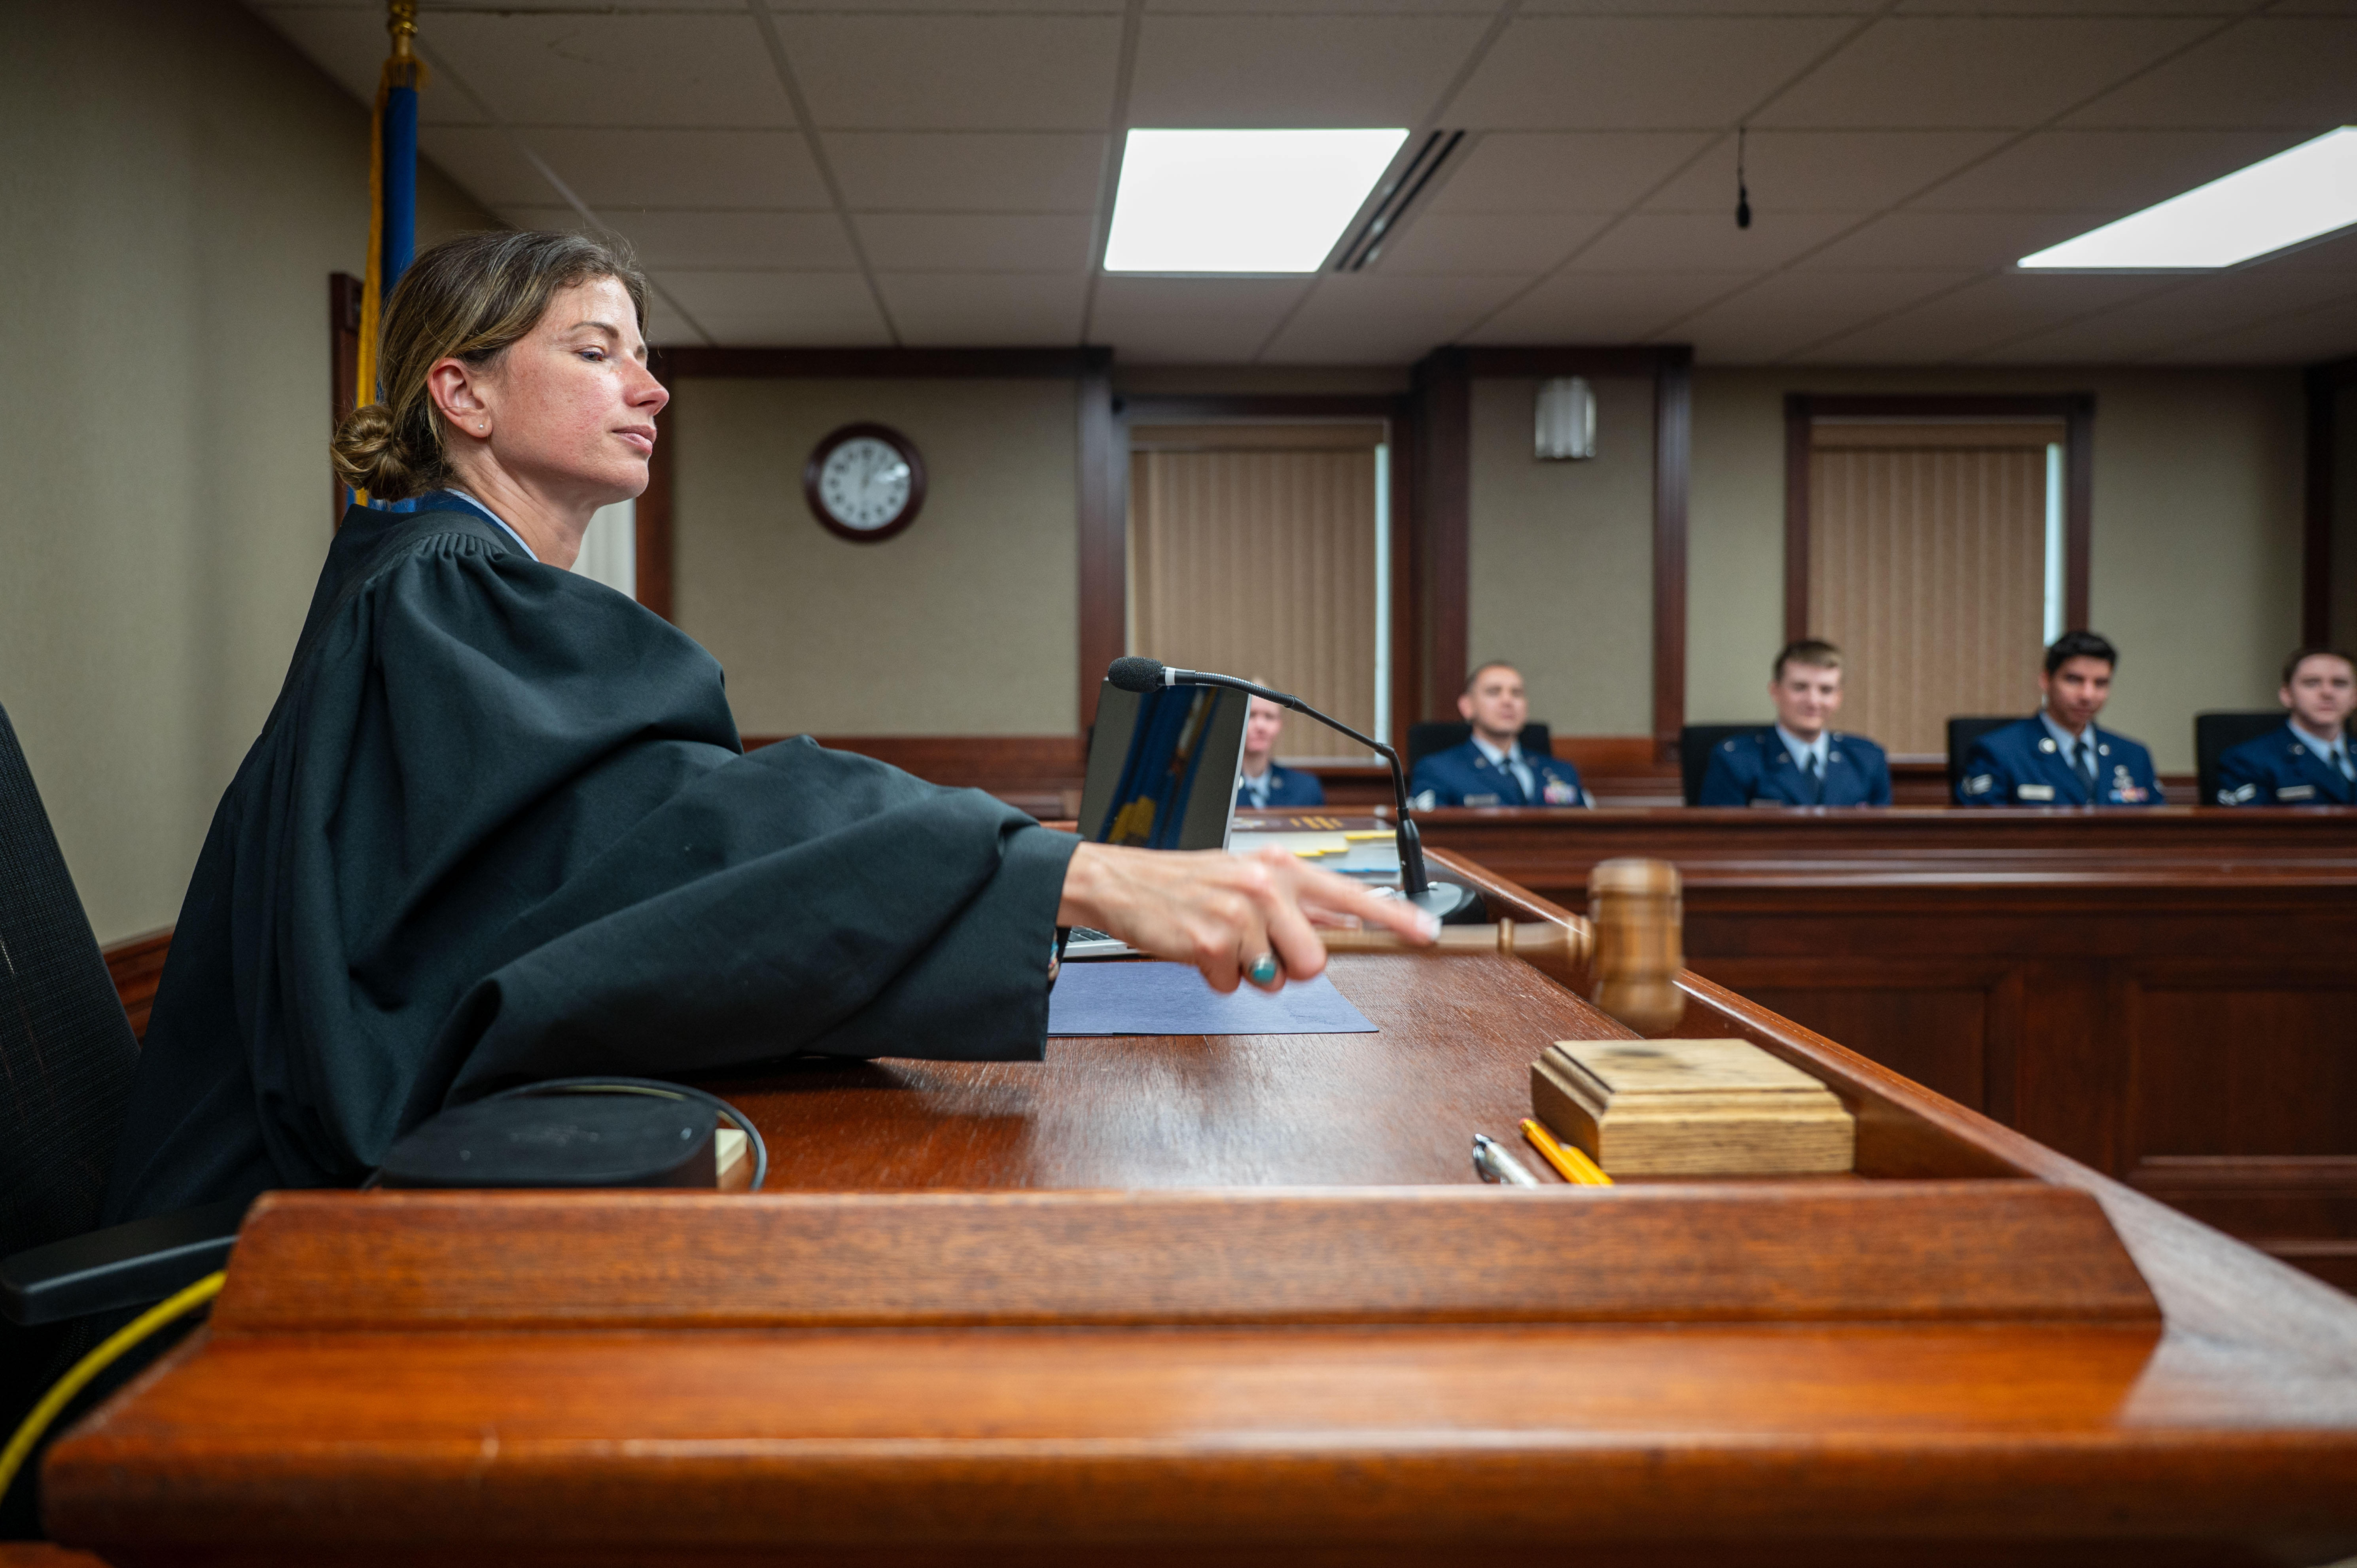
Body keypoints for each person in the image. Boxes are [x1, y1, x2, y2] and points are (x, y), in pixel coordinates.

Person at [102, 231, 1432, 1227]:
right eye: (594, 347)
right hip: (268, 1260)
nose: (649, 385)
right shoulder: (446, 588)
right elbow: (671, 831)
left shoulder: (433, 581)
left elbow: (583, 875)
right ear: (462, 394)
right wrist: (1069, 871)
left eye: (644, 351)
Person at [1957, 631, 2162, 806]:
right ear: (2046, 680)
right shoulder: (2000, 752)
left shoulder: (2134, 756)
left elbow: (2161, 833)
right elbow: (1982, 837)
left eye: (2100, 683)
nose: (2087, 696)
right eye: (2074, 680)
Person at [1698, 640, 1891, 807]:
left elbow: (1881, 842)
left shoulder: (1867, 759)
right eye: (1800, 688)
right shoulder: (1737, 760)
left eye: (1826, 690)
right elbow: (1720, 843)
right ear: (1775, 691)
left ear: (1839, 698)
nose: (1813, 702)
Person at [1410, 661, 1590, 809]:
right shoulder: (1439, 771)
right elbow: (1431, 838)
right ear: (1467, 706)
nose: (1508, 701)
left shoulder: (1563, 772)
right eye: (1494, 692)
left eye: (1517, 693)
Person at [2216, 647, 2357, 805]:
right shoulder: (2248, 761)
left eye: (2340, 684)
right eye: (2312, 683)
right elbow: (2246, 828)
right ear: (2287, 695)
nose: (2327, 692)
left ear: (2354, 696)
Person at [1235, 689, 1325, 810]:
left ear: (1280, 724)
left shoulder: (1305, 788)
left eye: (1269, 717)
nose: (1260, 726)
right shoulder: (1215, 788)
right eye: (1251, 715)